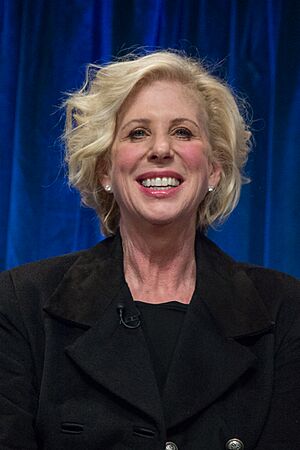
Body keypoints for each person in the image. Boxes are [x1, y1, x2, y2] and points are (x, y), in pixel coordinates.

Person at [0, 51, 299, 450]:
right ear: (105, 169)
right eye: (138, 133)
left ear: (214, 169)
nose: (160, 149)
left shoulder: (285, 309)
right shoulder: (21, 302)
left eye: (183, 132)